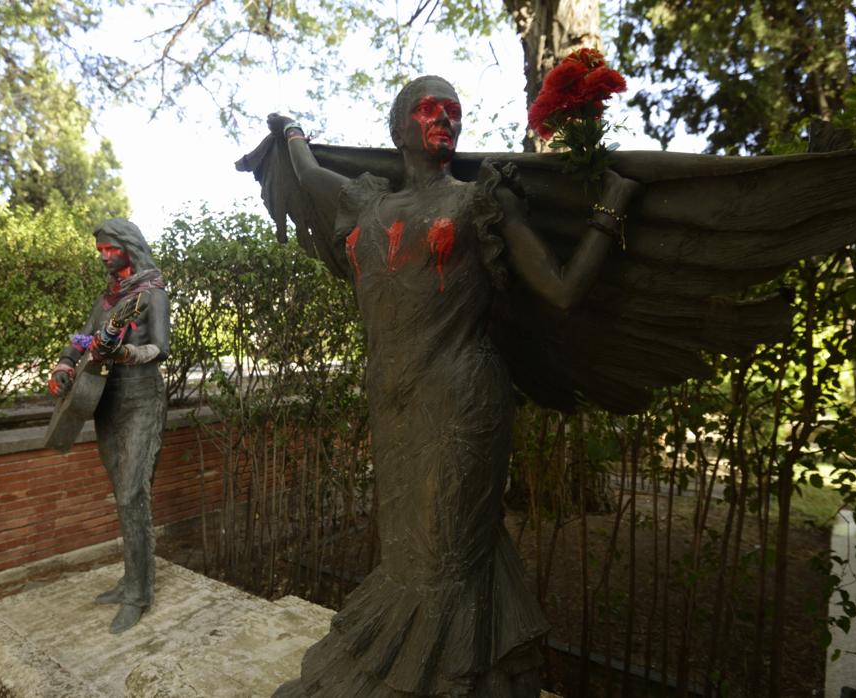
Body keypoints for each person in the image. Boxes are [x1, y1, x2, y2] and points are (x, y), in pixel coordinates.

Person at [263, 75, 641, 697]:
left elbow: (563, 290)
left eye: (453, 111)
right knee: (410, 552)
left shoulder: (479, 202)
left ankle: (437, 682)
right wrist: (291, 131)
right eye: (428, 109)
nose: (444, 118)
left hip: (463, 400)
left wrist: (609, 208)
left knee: (445, 558)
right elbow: (305, 173)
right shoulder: (365, 204)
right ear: (399, 127)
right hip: (393, 402)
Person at [48, 218, 170, 635]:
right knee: (121, 495)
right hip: (105, 402)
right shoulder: (106, 299)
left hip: (141, 401)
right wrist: (64, 366)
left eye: (108, 249)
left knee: (133, 492)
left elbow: (161, 348)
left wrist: (124, 354)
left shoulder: (152, 292)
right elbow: (81, 338)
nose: (103, 256)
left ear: (128, 248)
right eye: (99, 249)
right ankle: (131, 579)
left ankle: (138, 594)